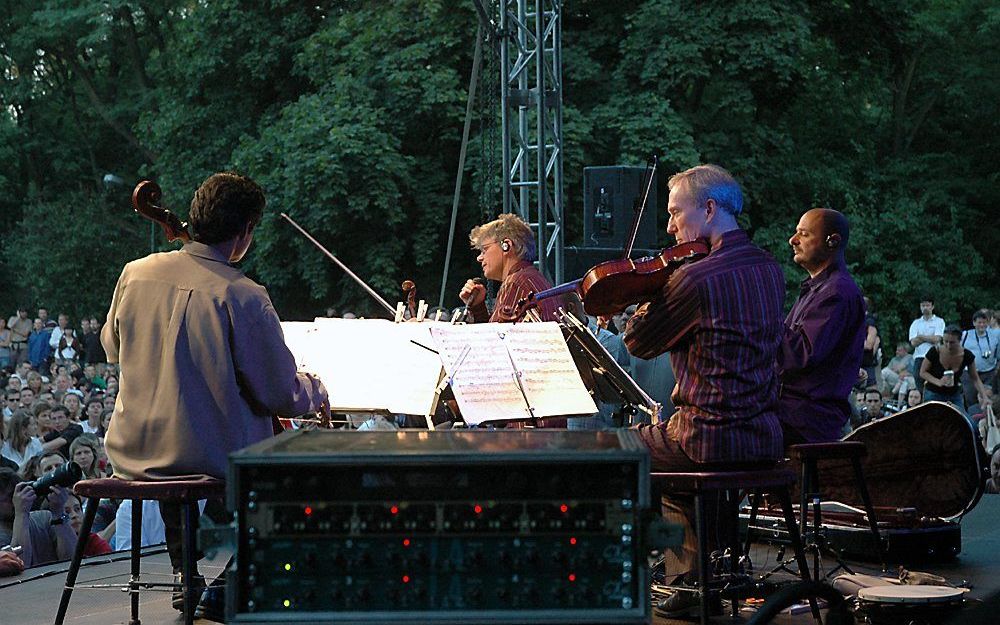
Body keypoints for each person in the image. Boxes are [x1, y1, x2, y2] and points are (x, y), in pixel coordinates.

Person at [101, 171, 330, 618]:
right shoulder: (243, 295)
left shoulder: (135, 273)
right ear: (245, 231)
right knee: (298, 472)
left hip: (133, 449)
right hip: (208, 455)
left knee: (180, 449)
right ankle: (225, 586)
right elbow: (279, 393)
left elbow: (112, 347)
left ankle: (186, 573)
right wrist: (316, 389)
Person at [622, 164, 785, 617]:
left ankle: (670, 579)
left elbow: (639, 342)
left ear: (709, 209)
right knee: (673, 469)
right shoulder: (770, 269)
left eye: (676, 213)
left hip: (706, 436)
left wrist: (651, 292)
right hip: (765, 435)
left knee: (614, 449)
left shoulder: (694, 278)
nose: (671, 226)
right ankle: (705, 575)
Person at [777, 208, 866, 444]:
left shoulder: (837, 292)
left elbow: (802, 354)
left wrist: (763, 315)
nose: (793, 240)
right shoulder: (817, 289)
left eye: (803, 234)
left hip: (804, 420)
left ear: (832, 241)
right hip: (795, 415)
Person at [458, 213, 561, 323]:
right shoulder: (530, 278)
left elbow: (497, 338)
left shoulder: (515, 283)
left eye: (484, 250)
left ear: (506, 245)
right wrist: (477, 307)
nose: (479, 258)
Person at [920, 325, 989, 419]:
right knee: (933, 421)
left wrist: (984, 396)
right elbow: (923, 372)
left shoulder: (967, 355)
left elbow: (975, 378)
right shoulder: (935, 351)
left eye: (952, 342)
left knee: (966, 421)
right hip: (933, 393)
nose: (948, 345)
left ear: (960, 341)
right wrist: (938, 382)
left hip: (953, 394)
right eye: (945, 342)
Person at [961, 310, 999, 407]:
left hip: (989, 373)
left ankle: (988, 419)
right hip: (969, 373)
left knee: (989, 399)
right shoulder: (965, 335)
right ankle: (972, 418)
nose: (982, 325)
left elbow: (998, 356)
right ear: (974, 323)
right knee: (971, 399)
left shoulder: (994, 336)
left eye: (984, 322)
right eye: (979, 322)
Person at [909, 298, 945, 392]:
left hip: (934, 357)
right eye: (923, 305)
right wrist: (929, 338)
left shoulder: (939, 321)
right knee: (920, 384)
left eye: (927, 305)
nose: (925, 308)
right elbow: (913, 343)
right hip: (919, 357)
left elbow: (937, 339)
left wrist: (920, 337)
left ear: (932, 307)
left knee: (934, 384)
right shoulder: (915, 323)